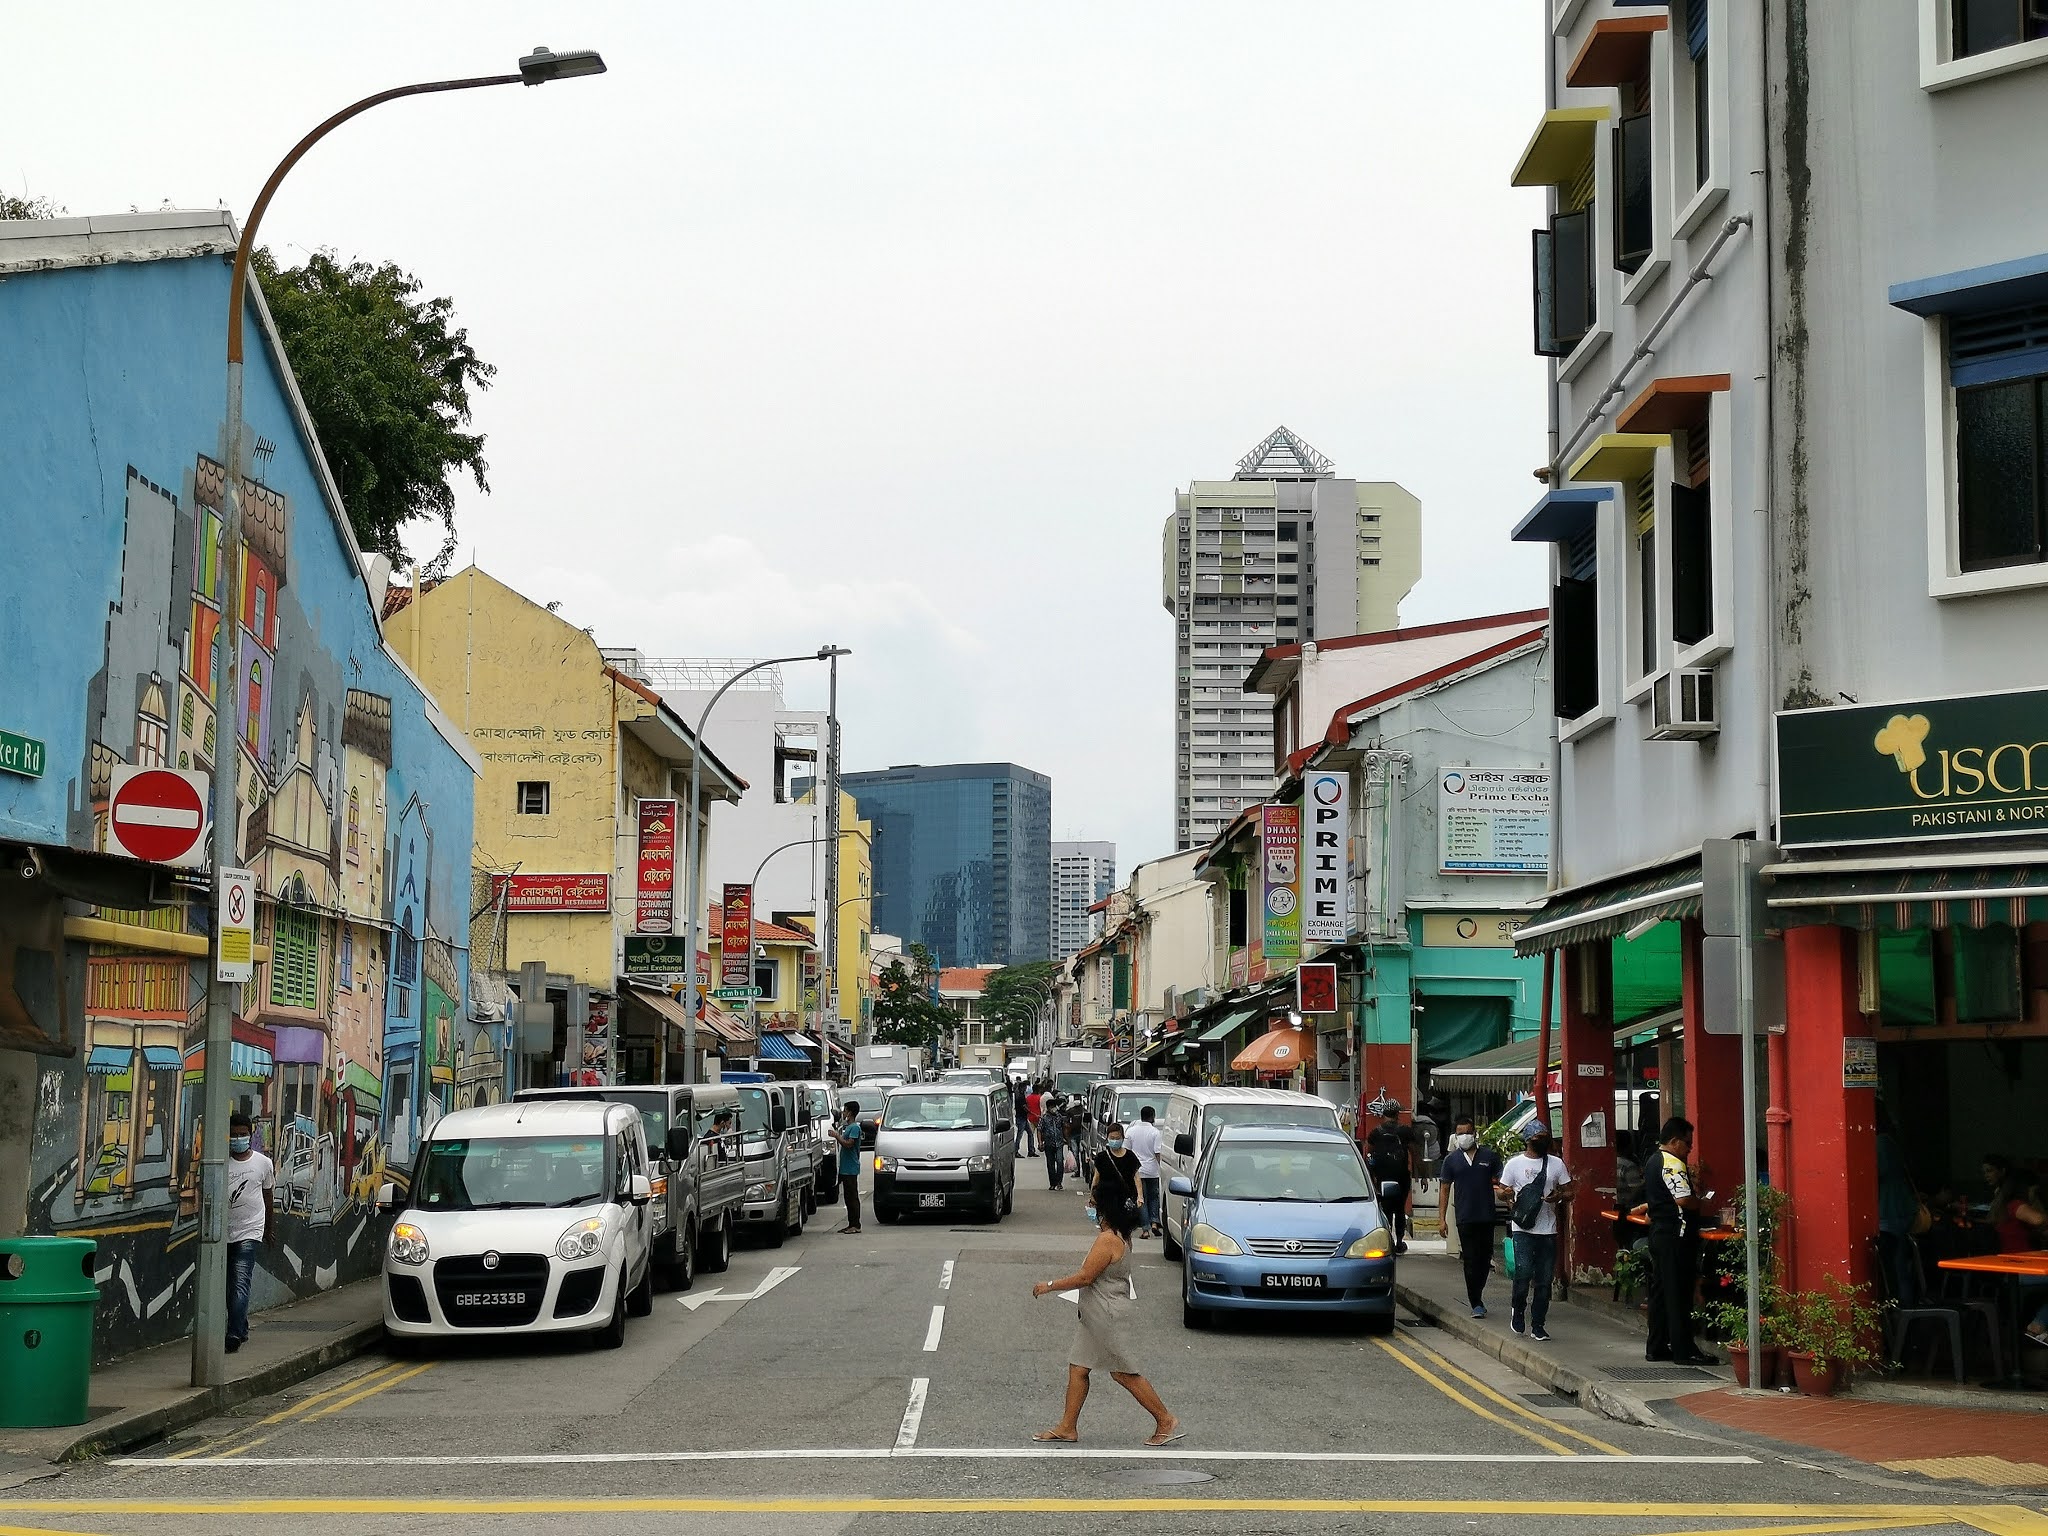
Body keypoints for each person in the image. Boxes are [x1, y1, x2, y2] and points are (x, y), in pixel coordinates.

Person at [1030, 1185, 1181, 1445]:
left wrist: (1050, 1285)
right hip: (1096, 1314)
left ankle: (1165, 1418)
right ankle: (1067, 1427)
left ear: (1104, 1210)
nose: (1090, 1208)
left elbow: (1086, 1277)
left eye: (1093, 1203)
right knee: (1078, 1369)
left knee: (1123, 1371)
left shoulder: (1108, 1240)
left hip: (1106, 1314)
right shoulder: (1119, 1235)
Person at [1637, 1115, 1717, 1366]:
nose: (1690, 1148)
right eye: (1687, 1143)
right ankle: (1685, 1351)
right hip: (1676, 1235)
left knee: (1661, 1293)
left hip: (1659, 1234)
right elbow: (1683, 1199)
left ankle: (1657, 1345)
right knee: (1678, 1294)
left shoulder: (1652, 1160)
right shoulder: (1672, 1163)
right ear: (1674, 1141)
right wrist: (1701, 1202)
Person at [1496, 1121, 1571, 1342]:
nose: (1543, 1139)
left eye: (1545, 1135)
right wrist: (1507, 1193)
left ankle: (1538, 1324)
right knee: (1523, 1273)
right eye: (1538, 1136)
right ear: (1528, 1140)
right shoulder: (1514, 1164)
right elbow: (1502, 1191)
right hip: (1522, 1229)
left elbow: (1569, 1192)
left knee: (1544, 1280)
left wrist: (1558, 1196)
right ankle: (1518, 1310)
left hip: (1547, 1230)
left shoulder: (1556, 1164)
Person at [1438, 1116, 1503, 1317]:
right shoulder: (1451, 1161)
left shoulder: (1489, 1157)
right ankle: (1475, 1302)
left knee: (1484, 1259)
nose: (1464, 1136)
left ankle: (1479, 1292)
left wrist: (1505, 1193)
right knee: (1470, 1260)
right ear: (1455, 1136)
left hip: (1486, 1215)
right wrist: (1441, 1219)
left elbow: (1503, 1182)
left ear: (1474, 1133)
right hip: (1465, 1217)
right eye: (1460, 1133)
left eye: (1467, 1132)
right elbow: (1444, 1189)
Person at [224, 1111, 275, 1354]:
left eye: (242, 1134)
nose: (238, 1139)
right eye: (233, 1135)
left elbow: (268, 1197)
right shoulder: (220, 1163)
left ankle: (233, 1333)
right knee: (228, 1286)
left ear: (250, 1134)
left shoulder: (263, 1164)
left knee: (240, 1282)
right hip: (224, 1234)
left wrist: (268, 1229)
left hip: (250, 1231)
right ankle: (241, 1328)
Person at [1364, 1104, 1419, 1254]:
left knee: (1385, 1208)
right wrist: (1419, 1175)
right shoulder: (1405, 1131)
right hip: (1401, 1175)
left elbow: (1367, 1155)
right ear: (1398, 1114)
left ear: (1383, 1114)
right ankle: (1400, 1241)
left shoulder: (1376, 1132)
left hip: (1382, 1176)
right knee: (1400, 1208)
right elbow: (1414, 1153)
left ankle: (1387, 1240)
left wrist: (1371, 1176)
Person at [1125, 1105, 1164, 1238]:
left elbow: (1127, 1151)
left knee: (1140, 1198)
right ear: (1152, 1116)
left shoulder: (1131, 1131)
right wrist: (1161, 1169)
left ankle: (1145, 1229)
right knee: (1154, 1197)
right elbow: (1157, 1153)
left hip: (1137, 1171)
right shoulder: (1155, 1132)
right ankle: (1154, 1222)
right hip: (1152, 1170)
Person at [1094, 1122, 1141, 1219]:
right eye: (1112, 1138)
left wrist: (1140, 1196)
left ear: (1123, 1138)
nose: (1114, 1141)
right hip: (1106, 1199)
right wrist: (1092, 1196)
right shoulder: (1101, 1157)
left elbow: (1136, 1177)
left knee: (1123, 1229)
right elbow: (1096, 1177)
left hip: (1124, 1199)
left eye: (1117, 1138)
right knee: (1108, 1228)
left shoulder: (1130, 1156)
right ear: (1107, 1138)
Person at [835, 1102, 864, 1234]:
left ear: (850, 1112)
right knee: (847, 1197)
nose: (843, 1113)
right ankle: (851, 1223)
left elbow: (849, 1144)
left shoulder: (854, 1128)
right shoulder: (848, 1127)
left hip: (851, 1167)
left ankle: (856, 1224)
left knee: (852, 1197)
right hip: (845, 1168)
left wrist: (837, 1136)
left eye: (845, 1110)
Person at [1041, 1092, 1067, 1190]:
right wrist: (1040, 1142)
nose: (1054, 1108)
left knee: (1060, 1162)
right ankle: (1052, 1183)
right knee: (1050, 1164)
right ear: (1048, 1108)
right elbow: (1039, 1130)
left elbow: (1063, 1127)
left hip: (1059, 1143)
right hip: (1048, 1144)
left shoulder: (1059, 1116)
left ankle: (1059, 1182)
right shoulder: (1044, 1118)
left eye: (1054, 1106)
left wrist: (1066, 1139)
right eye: (1052, 1107)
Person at [1025, 1082, 1044, 1158]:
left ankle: (1031, 1149)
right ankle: (1040, 1145)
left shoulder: (1028, 1098)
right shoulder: (1040, 1097)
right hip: (1038, 1118)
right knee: (1040, 1134)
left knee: (1031, 1135)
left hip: (1030, 1118)